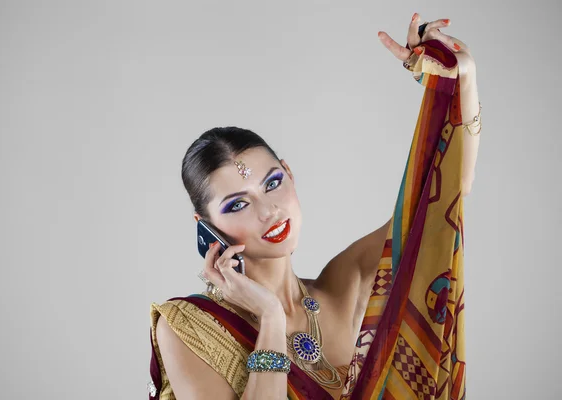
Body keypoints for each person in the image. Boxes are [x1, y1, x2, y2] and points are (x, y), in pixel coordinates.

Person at [148, 13, 480, 400]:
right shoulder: (191, 327)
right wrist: (270, 319)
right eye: (238, 204)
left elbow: (441, 198)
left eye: (272, 183)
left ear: (290, 173)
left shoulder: (346, 284)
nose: (268, 210)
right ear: (205, 225)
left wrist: (460, 82)